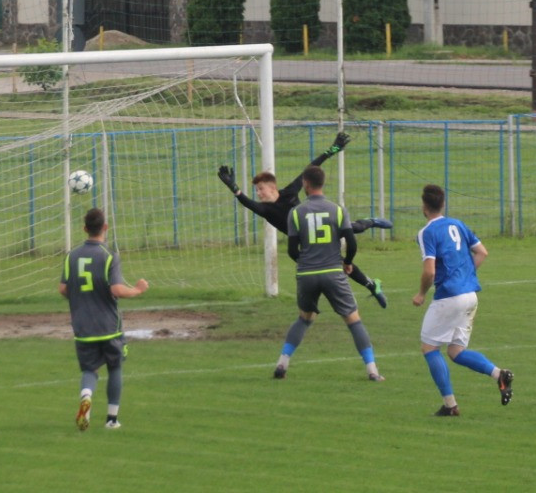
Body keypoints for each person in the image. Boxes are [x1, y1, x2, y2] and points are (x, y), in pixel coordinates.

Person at [217, 130, 393, 307]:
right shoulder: (265, 210)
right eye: (256, 190)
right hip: (308, 243)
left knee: (356, 228)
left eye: (261, 189)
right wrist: (233, 186)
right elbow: (247, 202)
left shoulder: (290, 192)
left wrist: (333, 149)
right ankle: (372, 286)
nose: (258, 193)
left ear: (272, 188)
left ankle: (372, 221)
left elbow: (311, 168)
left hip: (320, 226)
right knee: (340, 263)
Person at [273, 165, 383, 382]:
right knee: (353, 321)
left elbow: (292, 251)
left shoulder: (296, 213)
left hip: (306, 275)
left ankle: (282, 364)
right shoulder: (338, 210)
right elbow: (352, 243)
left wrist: (306, 264)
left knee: (304, 319)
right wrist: (347, 263)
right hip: (333, 272)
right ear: (322, 183)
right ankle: (372, 371)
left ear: (305, 184)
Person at [411, 184, 513, 416]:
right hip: (470, 296)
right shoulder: (458, 224)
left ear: (424, 206)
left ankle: (450, 406)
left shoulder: (427, 232)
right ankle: (499, 374)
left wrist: (421, 294)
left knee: (429, 348)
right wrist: (466, 275)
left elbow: (429, 271)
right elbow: (482, 252)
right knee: (456, 351)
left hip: (449, 297)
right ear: (443, 204)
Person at [59, 207, 149, 431]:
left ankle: (86, 395)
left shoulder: (71, 256)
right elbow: (116, 289)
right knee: (115, 367)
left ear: (84, 228)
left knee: (89, 370)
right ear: (105, 227)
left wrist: (80, 296)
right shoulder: (109, 256)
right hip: (109, 326)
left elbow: (63, 289)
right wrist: (137, 290)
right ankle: (111, 420)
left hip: (83, 327)